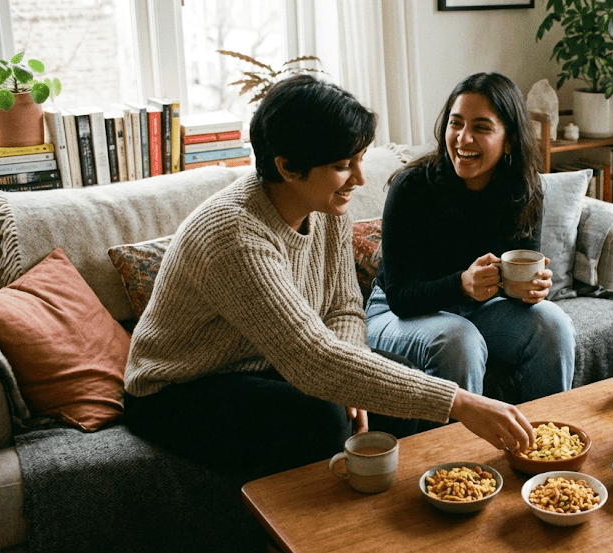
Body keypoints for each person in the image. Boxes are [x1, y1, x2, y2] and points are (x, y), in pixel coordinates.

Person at [123, 74, 535, 479]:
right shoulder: (235, 235)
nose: (360, 178)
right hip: (178, 389)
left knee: (397, 384)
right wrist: (460, 402)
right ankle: (298, 542)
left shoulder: (325, 206)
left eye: (359, 160)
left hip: (264, 362)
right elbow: (313, 358)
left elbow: (343, 307)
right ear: (287, 167)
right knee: (321, 417)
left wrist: (353, 381)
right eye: (343, 166)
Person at [365, 71, 575, 405]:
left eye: (481, 127)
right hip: (396, 312)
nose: (463, 138)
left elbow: (516, 280)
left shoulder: (523, 189)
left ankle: (544, 448)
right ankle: (460, 458)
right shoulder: (412, 188)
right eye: (456, 123)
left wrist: (532, 290)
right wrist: (462, 284)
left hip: (475, 307)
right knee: (460, 340)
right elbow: (401, 297)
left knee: (554, 325)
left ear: (508, 140)